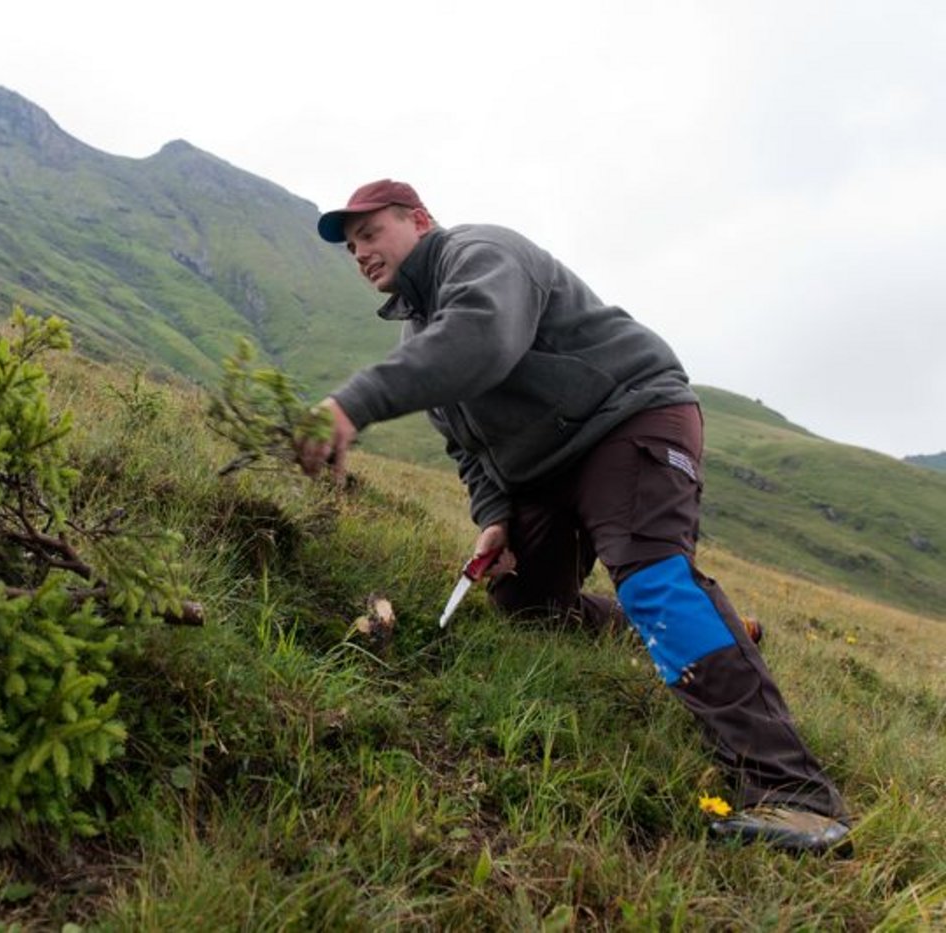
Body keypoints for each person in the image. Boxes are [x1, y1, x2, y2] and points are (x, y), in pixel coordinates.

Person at [300, 178, 851, 854]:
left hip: (628, 417)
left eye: (371, 233)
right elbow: (469, 449)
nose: (360, 252)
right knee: (523, 598)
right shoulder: (421, 327)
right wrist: (496, 515)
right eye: (351, 246)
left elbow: (480, 343)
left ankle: (794, 795)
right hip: (548, 469)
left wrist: (355, 401)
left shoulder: (482, 254)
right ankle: (715, 632)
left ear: (418, 220)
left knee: (651, 577)